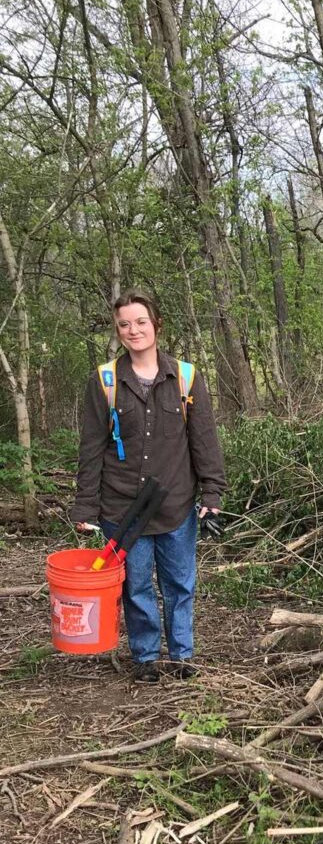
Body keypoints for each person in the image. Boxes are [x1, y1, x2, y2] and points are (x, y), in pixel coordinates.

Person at [71, 290, 227, 683]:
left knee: (179, 585)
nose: (132, 330)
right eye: (124, 324)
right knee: (136, 586)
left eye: (140, 322)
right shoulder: (104, 381)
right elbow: (91, 448)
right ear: (117, 330)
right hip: (121, 509)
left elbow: (204, 441)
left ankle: (181, 656)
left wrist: (212, 493)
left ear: (156, 324)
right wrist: (85, 507)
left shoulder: (186, 377)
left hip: (175, 504)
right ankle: (145, 659)